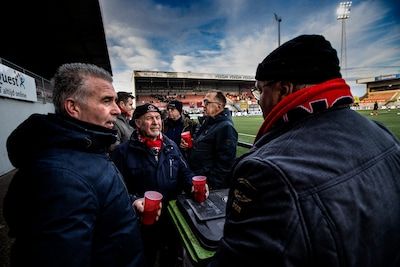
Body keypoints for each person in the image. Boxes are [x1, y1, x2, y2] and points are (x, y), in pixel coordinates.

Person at [209, 34, 400, 267]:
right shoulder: (384, 135)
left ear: (284, 90)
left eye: (260, 91)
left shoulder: (268, 172)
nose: (258, 100)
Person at [3, 63, 145, 267]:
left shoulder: (89, 147)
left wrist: (128, 204)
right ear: (73, 107)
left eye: (115, 101)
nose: (116, 109)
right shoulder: (59, 176)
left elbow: (95, 195)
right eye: (107, 101)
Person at [111, 103, 197, 267]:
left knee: (172, 256)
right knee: (147, 257)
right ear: (137, 123)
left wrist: (191, 183)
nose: (156, 122)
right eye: (149, 118)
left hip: (172, 217)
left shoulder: (171, 145)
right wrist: (134, 200)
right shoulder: (122, 152)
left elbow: (185, 171)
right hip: (142, 222)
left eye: (157, 118)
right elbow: (117, 190)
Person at [187, 90, 238, 189]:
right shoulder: (208, 122)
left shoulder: (226, 127)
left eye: (207, 102)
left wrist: (210, 184)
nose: (203, 105)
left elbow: (225, 163)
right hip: (199, 177)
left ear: (219, 106)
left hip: (209, 184)